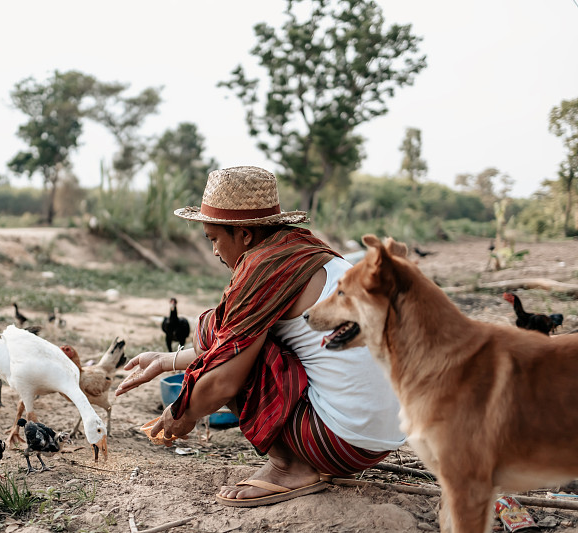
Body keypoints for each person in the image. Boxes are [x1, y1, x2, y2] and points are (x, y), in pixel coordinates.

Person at [115, 166, 405, 507]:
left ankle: (289, 467)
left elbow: (223, 380)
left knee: (214, 326)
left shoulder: (262, 270)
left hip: (339, 443)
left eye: (213, 238)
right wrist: (167, 360)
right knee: (229, 331)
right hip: (381, 437)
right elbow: (231, 344)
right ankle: (301, 457)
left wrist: (184, 411)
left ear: (245, 234)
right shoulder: (305, 251)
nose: (214, 251)